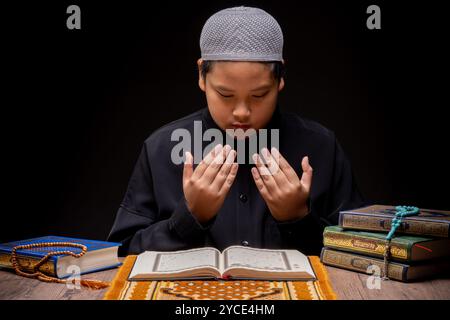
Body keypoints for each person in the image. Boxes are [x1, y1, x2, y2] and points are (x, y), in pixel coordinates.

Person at [107, 6, 365, 256]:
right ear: (201, 74)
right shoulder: (161, 148)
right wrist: (190, 217)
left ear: (280, 78)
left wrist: (298, 219)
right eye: (225, 94)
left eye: (259, 94)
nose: (242, 112)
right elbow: (120, 253)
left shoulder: (321, 147)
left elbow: (365, 252)